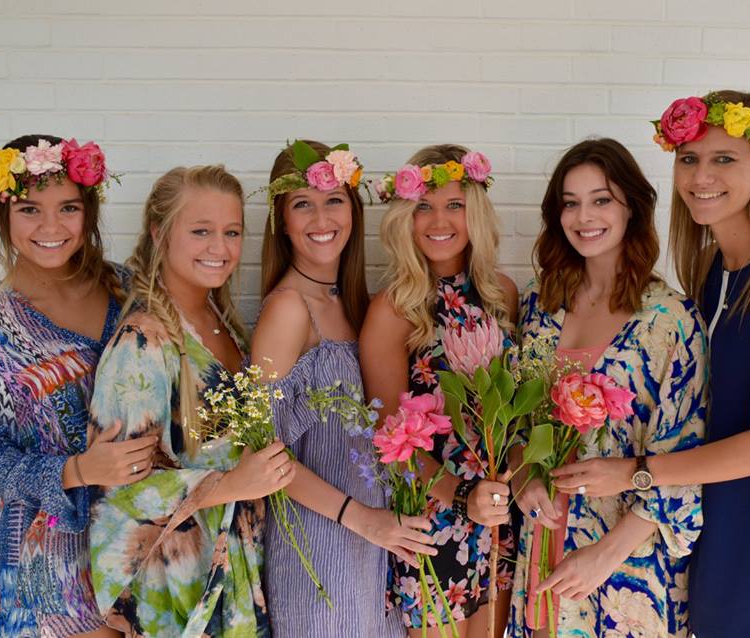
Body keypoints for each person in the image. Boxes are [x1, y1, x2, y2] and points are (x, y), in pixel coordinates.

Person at [550, 91, 750, 637]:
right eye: (689, 159)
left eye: (724, 159)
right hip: (720, 511)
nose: (700, 176)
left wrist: (633, 472)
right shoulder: (716, 266)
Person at [506, 138, 707, 637]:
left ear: (632, 207)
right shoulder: (539, 304)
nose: (583, 216)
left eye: (601, 199)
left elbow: (686, 458)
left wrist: (603, 557)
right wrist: (520, 475)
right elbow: (515, 419)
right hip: (545, 541)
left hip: (628, 562)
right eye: (570, 203)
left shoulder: (671, 319)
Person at [86, 165, 294, 637]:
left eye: (232, 232)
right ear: (160, 233)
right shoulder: (142, 343)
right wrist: (230, 484)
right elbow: (122, 487)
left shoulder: (220, 319)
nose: (219, 249)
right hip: (181, 590)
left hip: (236, 567)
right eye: (201, 231)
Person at [0, 134, 139, 637]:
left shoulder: (126, 289)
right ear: (3, 216)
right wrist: (78, 468)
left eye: (68, 208)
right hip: (50, 565)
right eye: (30, 209)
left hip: (143, 539)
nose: (51, 226)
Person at [251, 139, 426, 637]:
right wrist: (361, 519)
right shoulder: (288, 310)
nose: (320, 217)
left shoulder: (356, 306)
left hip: (378, 544)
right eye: (301, 204)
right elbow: (262, 452)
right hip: (318, 549)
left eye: (333, 200)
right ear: (281, 222)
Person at [360, 144, 518, 637]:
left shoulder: (502, 294)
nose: (437, 221)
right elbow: (391, 440)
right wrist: (461, 495)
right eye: (423, 207)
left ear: (476, 213)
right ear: (405, 218)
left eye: (454, 205)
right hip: (436, 516)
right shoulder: (393, 309)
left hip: (498, 510)